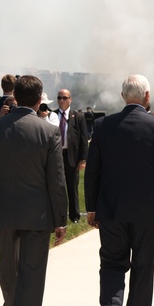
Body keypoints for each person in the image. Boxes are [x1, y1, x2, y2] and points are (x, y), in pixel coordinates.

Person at [85, 75, 154, 306]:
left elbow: (93, 171)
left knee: (112, 264)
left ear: (122, 96)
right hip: (148, 211)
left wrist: (92, 207)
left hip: (112, 209)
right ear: (147, 96)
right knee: (143, 267)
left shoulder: (104, 126)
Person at [0, 75, 68, 306]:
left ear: (14, 96)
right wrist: (60, 219)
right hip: (37, 214)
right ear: (40, 99)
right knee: (32, 272)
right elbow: (57, 180)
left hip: (3, 211)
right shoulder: (48, 131)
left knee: (8, 267)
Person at [51, 89, 88, 223]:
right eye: (59, 98)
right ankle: (58, 215)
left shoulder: (78, 117)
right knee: (57, 186)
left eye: (64, 98)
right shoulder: (52, 115)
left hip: (71, 156)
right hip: (56, 155)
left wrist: (83, 159)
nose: (61, 100)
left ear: (70, 100)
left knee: (72, 187)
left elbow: (84, 138)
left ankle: (74, 216)